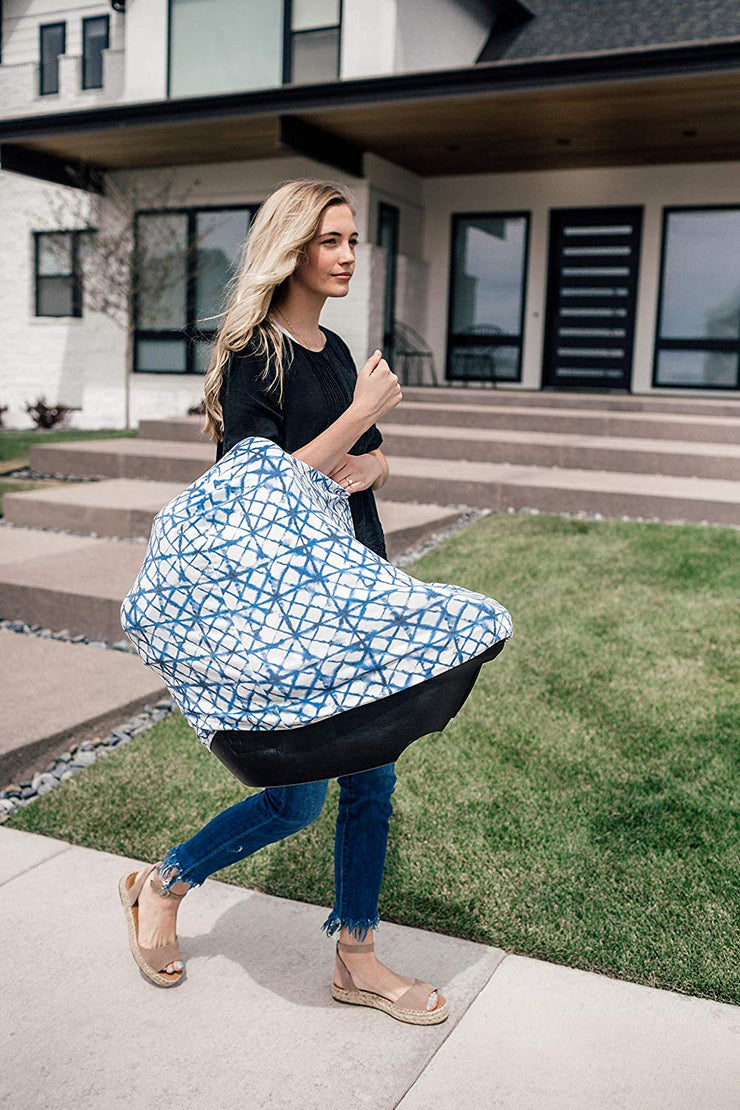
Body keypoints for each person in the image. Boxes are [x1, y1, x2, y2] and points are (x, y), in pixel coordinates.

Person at [120, 178, 450, 1024]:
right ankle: (164, 882)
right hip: (288, 609)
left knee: (373, 780)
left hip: (355, 583)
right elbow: (253, 492)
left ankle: (356, 957)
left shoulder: (336, 351)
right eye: (331, 240)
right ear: (292, 247)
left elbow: (372, 459)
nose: (348, 256)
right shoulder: (252, 357)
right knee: (297, 797)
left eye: (352, 240)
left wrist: (372, 459)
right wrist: (359, 415)